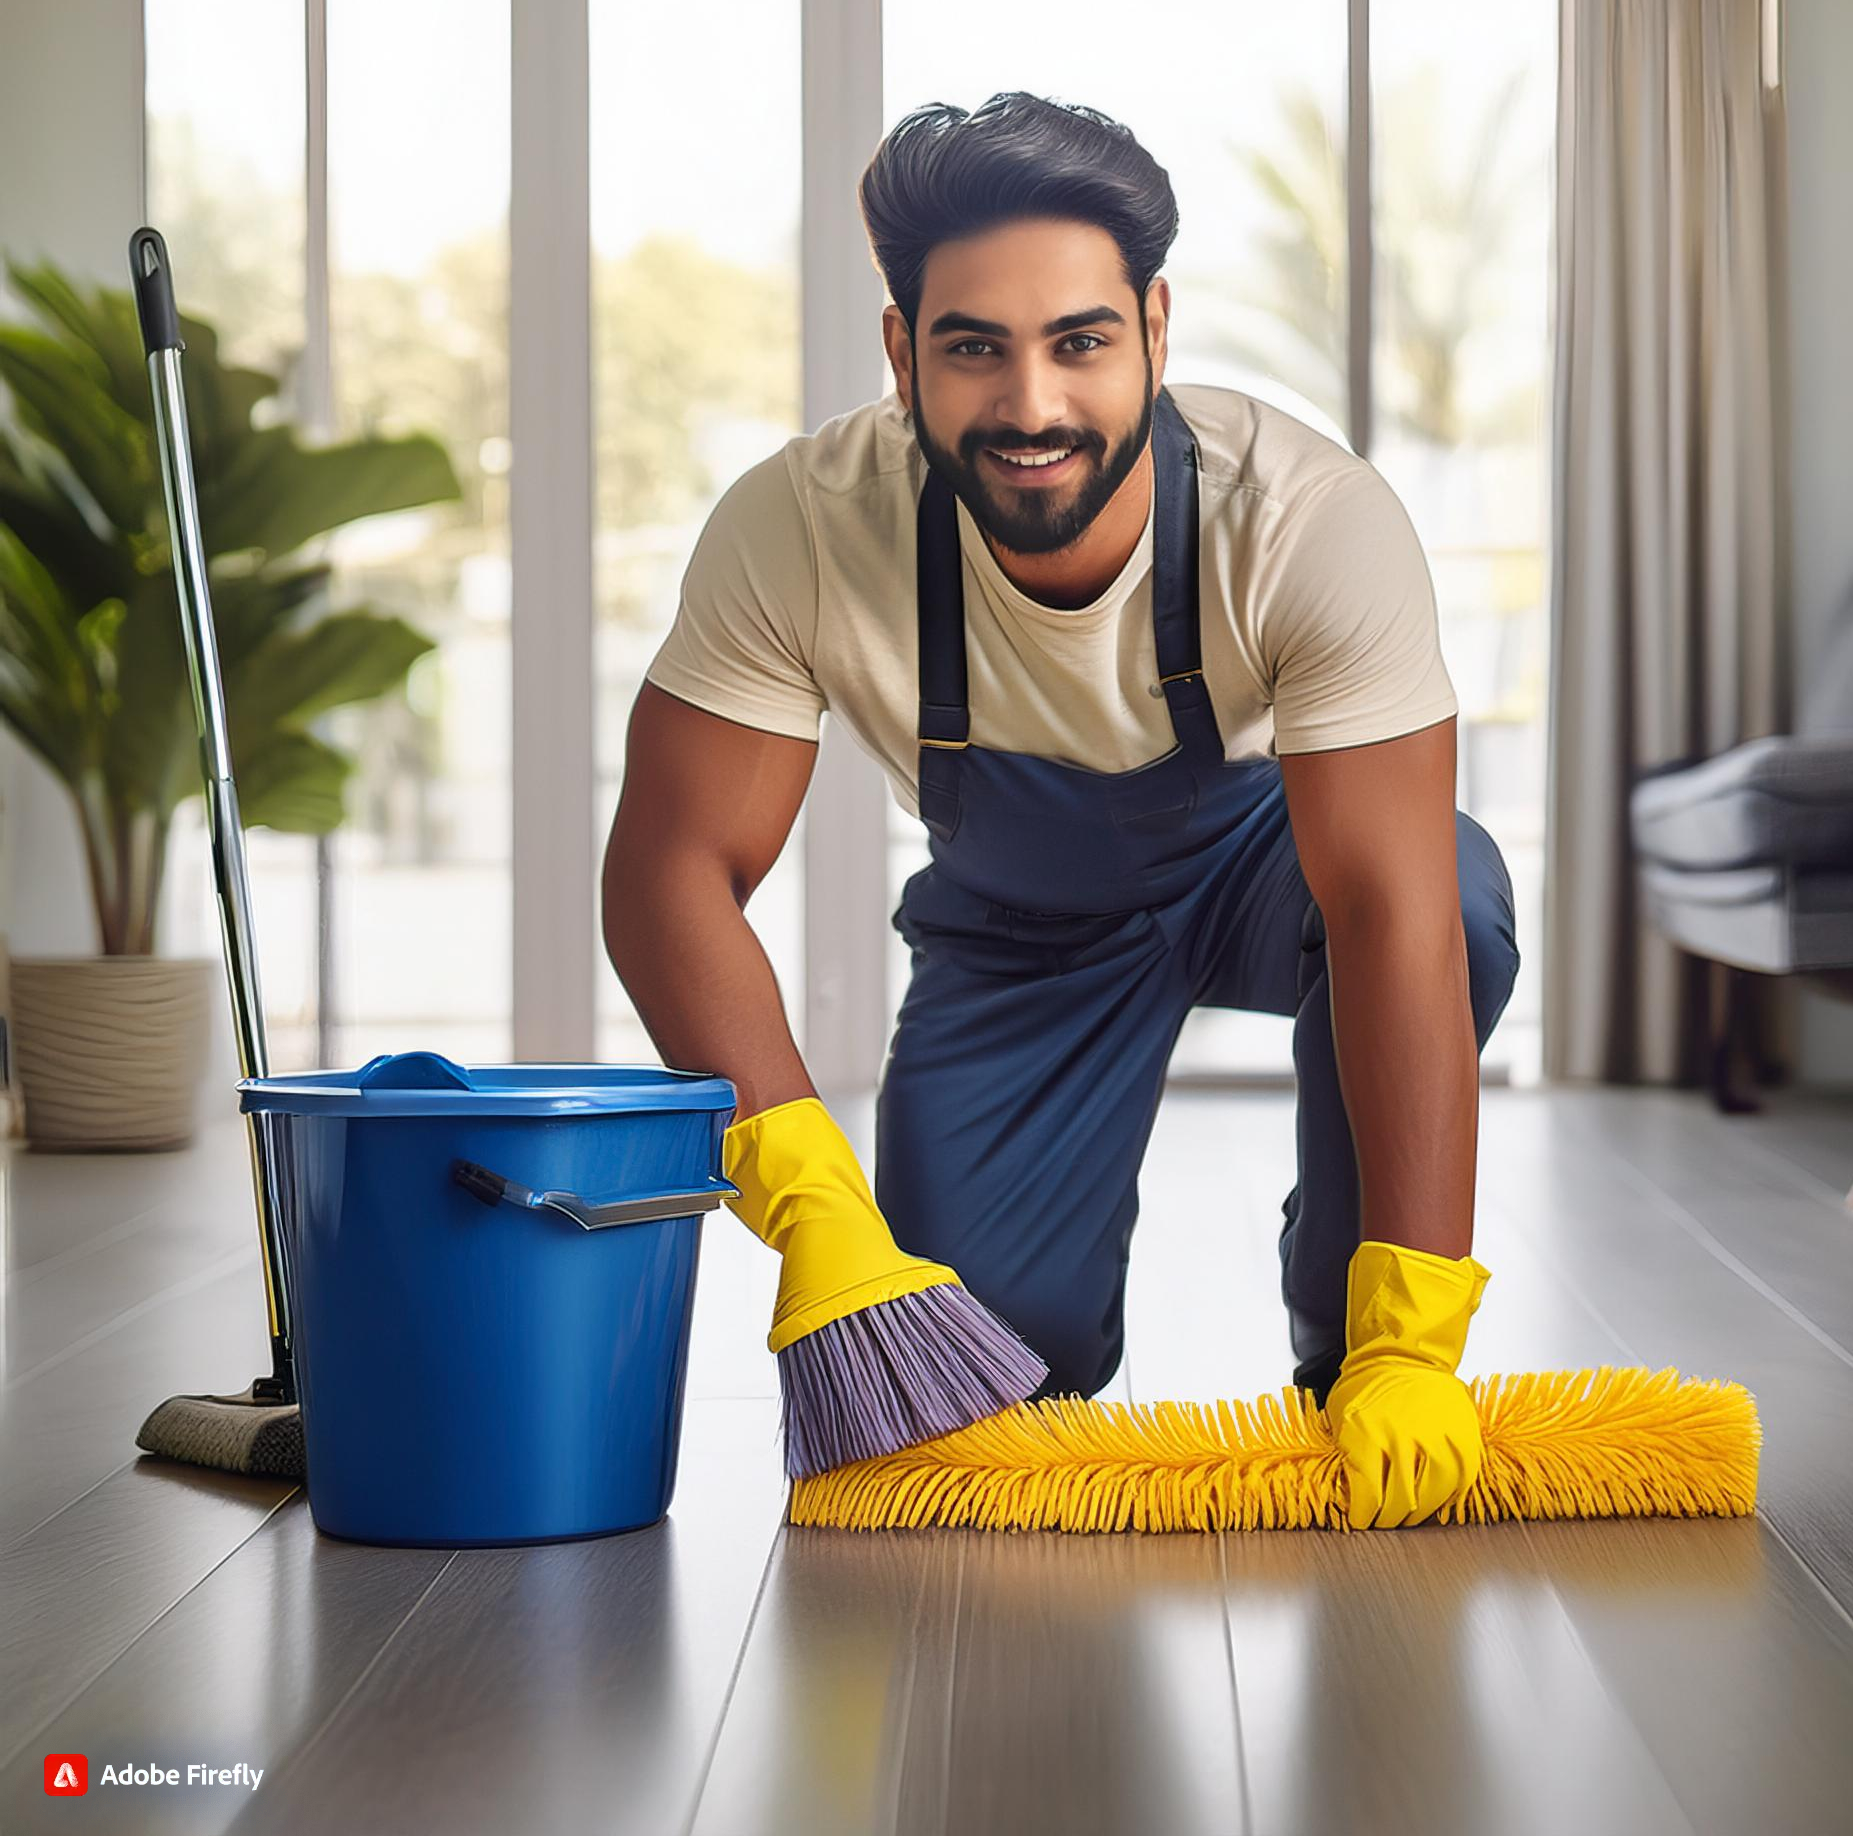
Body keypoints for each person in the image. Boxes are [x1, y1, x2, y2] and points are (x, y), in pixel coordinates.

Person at [603, 92, 1520, 1525]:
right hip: (1016, 930)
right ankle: (1011, 1314)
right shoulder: (800, 526)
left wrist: (1415, 1331)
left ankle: (1352, 1332)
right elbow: (669, 873)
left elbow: (1395, 907)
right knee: (996, 1367)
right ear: (904, 351)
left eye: (1080, 343)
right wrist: (808, 1205)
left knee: (1452, 894)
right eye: (975, 349)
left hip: (1270, 870)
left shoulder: (1306, 519)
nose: (1032, 405)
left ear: (1156, 330)